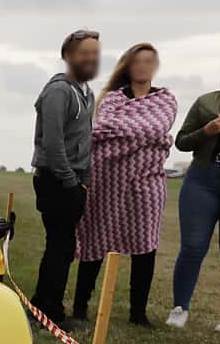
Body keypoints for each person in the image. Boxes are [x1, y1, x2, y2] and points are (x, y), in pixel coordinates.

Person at [70, 44, 175, 326]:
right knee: (95, 240)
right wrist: (144, 135)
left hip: (148, 181)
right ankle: (80, 306)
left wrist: (123, 133)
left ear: (156, 66)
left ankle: (137, 313)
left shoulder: (165, 100)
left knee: (145, 244)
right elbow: (100, 129)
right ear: (128, 66)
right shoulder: (113, 99)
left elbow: (157, 128)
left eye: (149, 61)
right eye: (137, 61)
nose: (143, 66)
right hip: (107, 180)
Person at [31, 30, 101, 328]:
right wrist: (71, 182)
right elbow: (53, 143)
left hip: (74, 181)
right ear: (68, 55)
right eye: (84, 52)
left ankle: (42, 307)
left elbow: (84, 140)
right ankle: (50, 313)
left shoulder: (86, 92)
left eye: (95, 53)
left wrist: (82, 179)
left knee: (62, 247)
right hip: (56, 181)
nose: (91, 58)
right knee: (60, 248)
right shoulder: (59, 91)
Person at [168, 49, 220, 332]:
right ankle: (179, 307)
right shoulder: (206, 102)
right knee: (193, 247)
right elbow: (181, 141)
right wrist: (206, 131)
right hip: (201, 180)